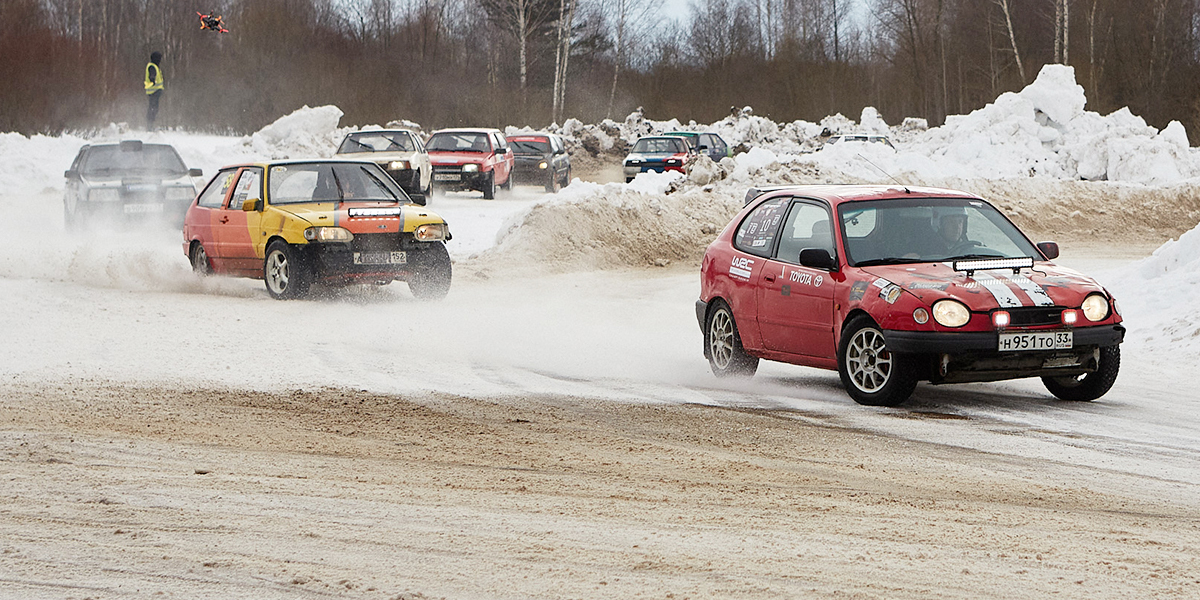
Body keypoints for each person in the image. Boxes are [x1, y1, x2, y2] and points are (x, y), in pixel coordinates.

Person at [144, 51, 164, 131]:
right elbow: (152, 74)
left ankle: (150, 125)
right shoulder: (152, 66)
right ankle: (150, 126)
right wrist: (152, 78)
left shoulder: (155, 66)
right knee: (153, 108)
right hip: (153, 91)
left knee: (154, 108)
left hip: (155, 91)